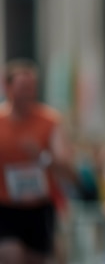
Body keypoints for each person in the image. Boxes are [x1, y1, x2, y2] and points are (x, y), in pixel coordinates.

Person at [0, 58, 76, 264]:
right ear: (7, 87)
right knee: (11, 255)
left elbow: (68, 169)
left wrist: (42, 157)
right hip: (6, 207)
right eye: (23, 87)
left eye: (32, 88)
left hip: (39, 207)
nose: (28, 94)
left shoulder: (49, 121)